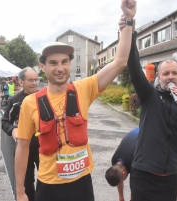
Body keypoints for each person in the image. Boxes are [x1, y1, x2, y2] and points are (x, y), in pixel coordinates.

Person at [15, 1, 137, 200]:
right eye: (53, 63)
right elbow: (22, 148)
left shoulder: (84, 89)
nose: (60, 68)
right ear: (43, 67)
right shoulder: (30, 103)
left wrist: (129, 20)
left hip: (81, 183)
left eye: (64, 62)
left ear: (70, 63)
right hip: (48, 186)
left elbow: (120, 61)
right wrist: (21, 192)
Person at [124, 23, 177, 201]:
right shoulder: (149, 96)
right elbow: (133, 67)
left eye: (174, 73)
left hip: (170, 178)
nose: (170, 77)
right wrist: (130, 27)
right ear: (158, 77)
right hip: (143, 175)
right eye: (166, 73)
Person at [1, 67, 40, 201]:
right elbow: (5, 121)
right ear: (21, 82)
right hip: (24, 149)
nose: (34, 83)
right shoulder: (15, 100)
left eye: (36, 79)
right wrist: (12, 129)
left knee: (47, 181)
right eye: (30, 80)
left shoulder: (44, 97)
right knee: (27, 184)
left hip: (44, 148)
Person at [105, 127, 139, 201]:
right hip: (136, 131)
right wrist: (121, 198)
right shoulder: (115, 161)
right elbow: (118, 178)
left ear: (123, 173)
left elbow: (134, 187)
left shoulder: (134, 163)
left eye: (122, 180)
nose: (123, 181)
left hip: (147, 133)